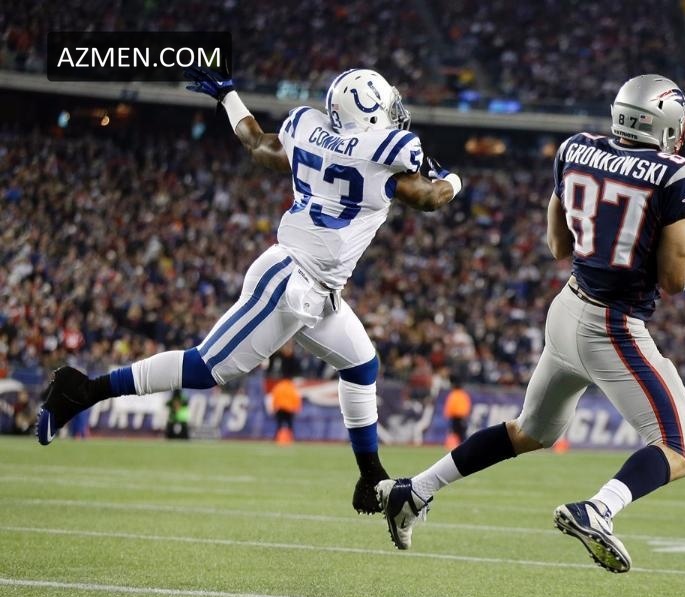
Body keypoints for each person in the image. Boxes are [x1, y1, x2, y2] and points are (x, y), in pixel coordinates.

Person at [35, 66, 463, 515]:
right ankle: (82, 390)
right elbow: (430, 198)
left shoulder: (311, 131)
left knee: (361, 364)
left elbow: (256, 143)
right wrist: (452, 179)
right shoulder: (383, 156)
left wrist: (229, 97)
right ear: (371, 111)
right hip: (290, 281)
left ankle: (370, 476)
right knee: (204, 367)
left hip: (316, 288)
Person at [377, 75, 685, 573]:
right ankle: (598, 509)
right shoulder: (678, 176)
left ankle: (415, 490)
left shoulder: (576, 149)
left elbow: (559, 246)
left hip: (566, 311)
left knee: (530, 431)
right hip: (613, 325)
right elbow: (676, 279)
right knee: (680, 448)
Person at [270, 377, 302, 443]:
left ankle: (277, 438)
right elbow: (296, 398)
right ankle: (291, 438)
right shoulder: (291, 387)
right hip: (289, 409)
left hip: (280, 408)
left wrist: (274, 408)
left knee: (279, 424)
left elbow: (275, 397)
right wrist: (297, 408)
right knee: (290, 424)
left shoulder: (279, 386)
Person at [442, 380, 472, 446]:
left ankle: (456, 445)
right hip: (462, 417)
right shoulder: (464, 395)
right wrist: (466, 415)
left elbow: (449, 405)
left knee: (455, 432)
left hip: (455, 417)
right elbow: (468, 406)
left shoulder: (453, 394)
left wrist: (447, 414)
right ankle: (464, 445)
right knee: (462, 433)